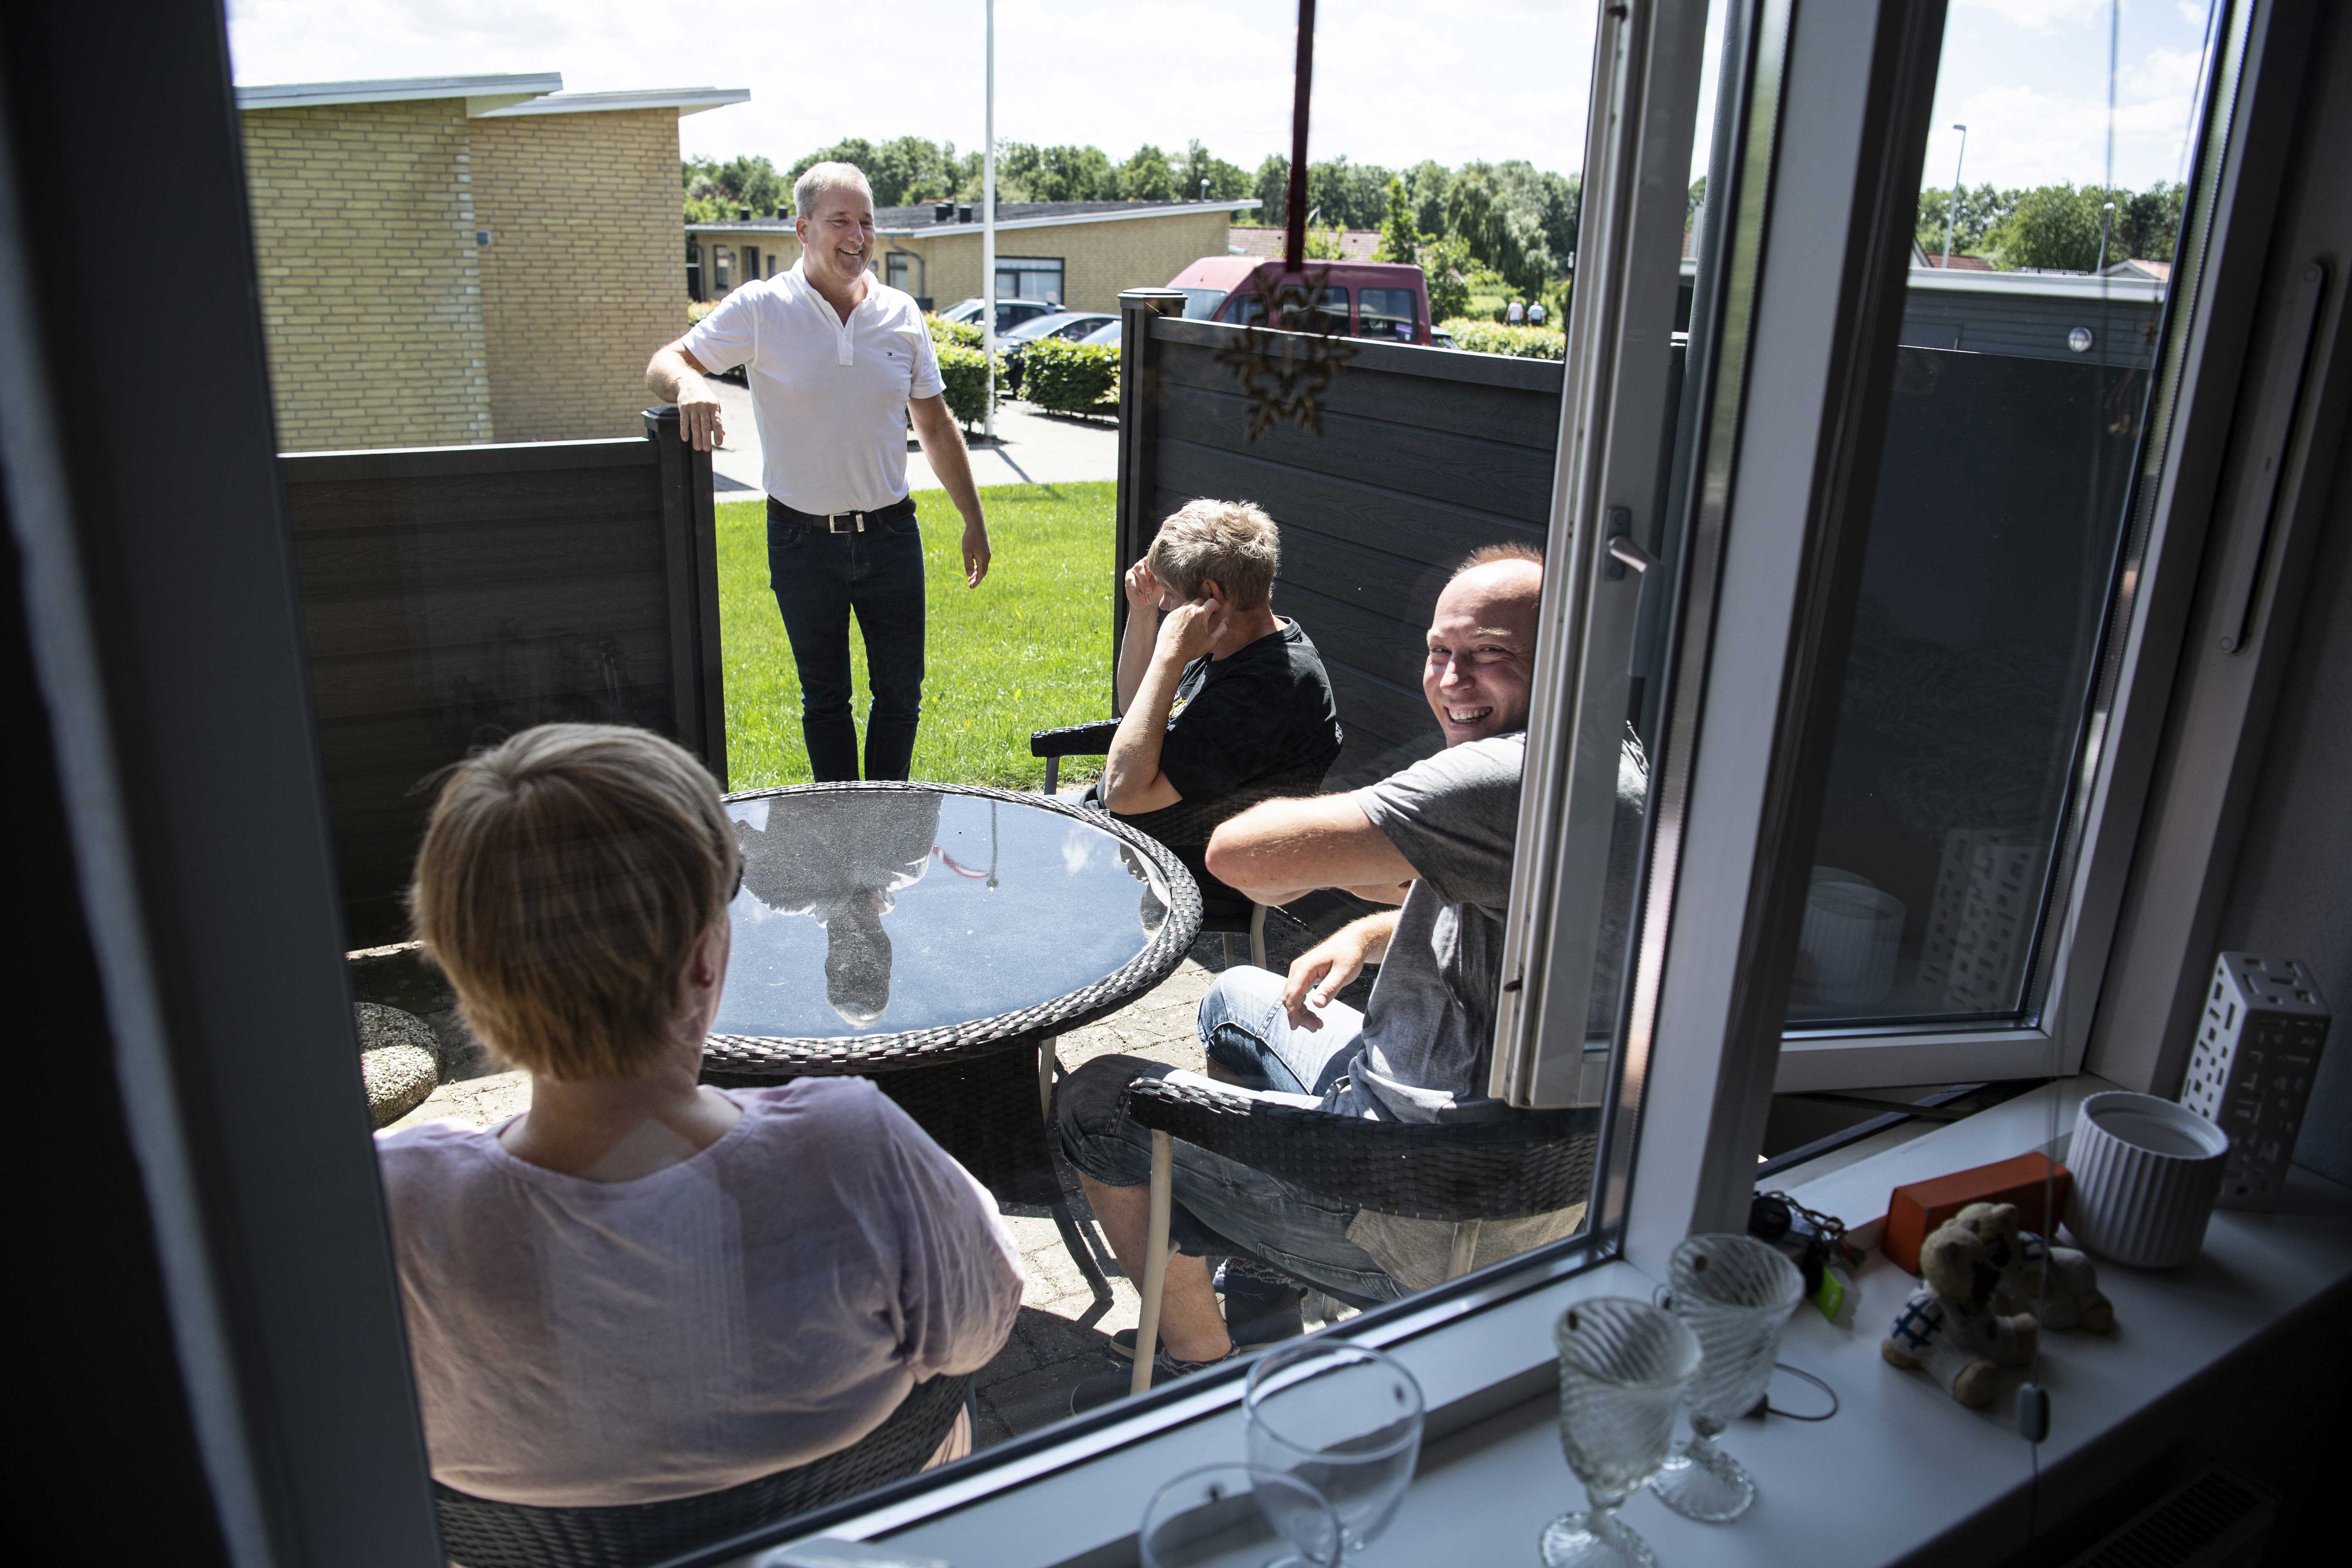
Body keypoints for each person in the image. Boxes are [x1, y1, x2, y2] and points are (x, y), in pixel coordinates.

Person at [376, 724, 1021, 1505]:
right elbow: (979, 1326)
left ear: (460, 971)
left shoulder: (399, 1211)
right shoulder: (847, 1153)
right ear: (705, 960)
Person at [1057, 543, 1589, 1412]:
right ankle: (1262, 1284)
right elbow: (1517, 899)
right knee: (1234, 997)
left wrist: (1167, 656)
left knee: (1093, 1103)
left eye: (1493, 653)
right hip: (1436, 1106)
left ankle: (1197, 1360)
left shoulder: (1508, 773)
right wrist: (1381, 928)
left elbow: (1241, 856)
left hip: (1424, 1200)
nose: (1453, 680)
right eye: (1440, 651)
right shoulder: (1612, 757)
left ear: (1568, 656)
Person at [647, 162, 992, 783]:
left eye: (866, 222)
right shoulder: (761, 308)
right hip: (801, 541)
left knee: (901, 698)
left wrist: (974, 518)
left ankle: (884, 832)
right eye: (841, 221)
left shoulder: (900, 313)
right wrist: (691, 384)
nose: (858, 235)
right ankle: (839, 841)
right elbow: (665, 360)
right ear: (803, 229)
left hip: (891, 537)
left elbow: (937, 426)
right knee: (826, 700)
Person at [1094, 500, 1343, 909]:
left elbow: (1123, 795)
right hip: (1128, 837)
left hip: (1160, 864)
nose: (1165, 607)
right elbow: (1136, 710)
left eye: (1170, 596)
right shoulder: (1236, 641)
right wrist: (1142, 615)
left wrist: (1170, 654)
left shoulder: (1268, 688)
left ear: (1211, 594)